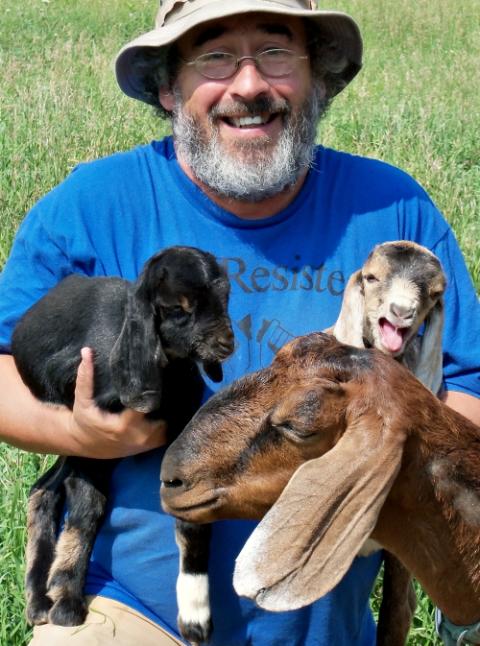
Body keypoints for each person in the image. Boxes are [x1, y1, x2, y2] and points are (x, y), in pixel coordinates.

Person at [1, 0, 479, 644]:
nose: (249, 85)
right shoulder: (94, 204)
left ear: (317, 77)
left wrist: (381, 456)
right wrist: (88, 434)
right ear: (170, 87)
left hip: (326, 623)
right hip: (131, 611)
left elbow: (467, 390)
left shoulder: (392, 209)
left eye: (277, 52)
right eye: (215, 56)